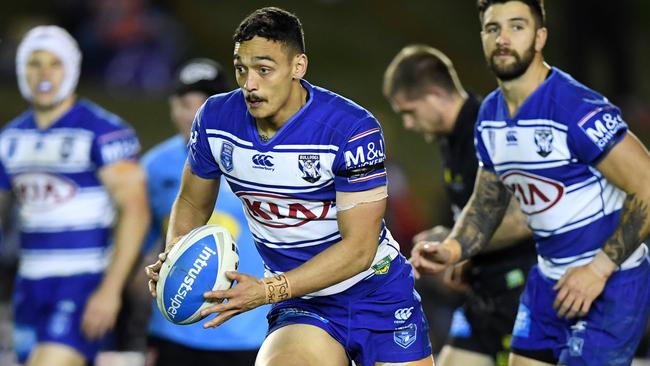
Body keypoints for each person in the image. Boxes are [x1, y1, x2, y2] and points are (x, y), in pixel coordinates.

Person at [146, 7, 434, 366]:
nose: (250, 84)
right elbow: (190, 202)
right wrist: (178, 258)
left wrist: (268, 289)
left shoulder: (351, 129)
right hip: (302, 303)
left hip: (377, 292)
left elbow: (359, 248)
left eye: (264, 70)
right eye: (241, 69)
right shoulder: (215, 119)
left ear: (298, 66)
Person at [410, 1, 650, 365]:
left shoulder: (576, 108)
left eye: (516, 27)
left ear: (540, 38)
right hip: (547, 279)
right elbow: (488, 201)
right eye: (493, 29)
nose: (503, 39)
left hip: (611, 284)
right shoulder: (489, 115)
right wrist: (455, 248)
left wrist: (598, 270)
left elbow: (646, 185)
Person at [0, 26, 150, 366]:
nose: (44, 73)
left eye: (55, 63)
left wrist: (110, 290)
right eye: (34, 63)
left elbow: (136, 212)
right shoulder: (9, 138)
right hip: (29, 287)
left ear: (72, 69)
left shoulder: (103, 131)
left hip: (82, 284)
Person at [383, 45, 536, 366]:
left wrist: (456, 244)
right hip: (484, 293)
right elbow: (483, 213)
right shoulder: (451, 138)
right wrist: (455, 246)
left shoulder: (488, 127)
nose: (408, 124)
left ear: (436, 94)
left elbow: (525, 215)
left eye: (409, 111)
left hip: (522, 291)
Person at [142, 58, 268, 366]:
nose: (194, 113)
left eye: (205, 103)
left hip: (250, 331)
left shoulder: (262, 158)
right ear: (172, 106)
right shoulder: (154, 167)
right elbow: (142, 247)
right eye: (185, 103)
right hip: (176, 330)